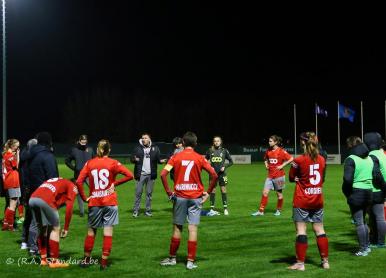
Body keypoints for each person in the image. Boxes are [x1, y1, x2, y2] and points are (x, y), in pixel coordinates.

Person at [159, 131, 218, 270]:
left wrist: (169, 193)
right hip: (196, 198)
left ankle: (172, 258)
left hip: (180, 197)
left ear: (183, 143)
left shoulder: (175, 157)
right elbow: (214, 175)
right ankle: (190, 261)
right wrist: (208, 193)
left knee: (178, 227)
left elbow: (163, 174)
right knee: (193, 229)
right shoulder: (200, 158)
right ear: (196, 144)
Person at [77, 139, 134, 270]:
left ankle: (86, 261)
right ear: (109, 150)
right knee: (108, 232)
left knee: (91, 231)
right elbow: (130, 175)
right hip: (110, 201)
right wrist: (114, 184)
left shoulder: (90, 163)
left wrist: (85, 197)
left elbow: (79, 182)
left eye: (97, 148)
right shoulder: (113, 163)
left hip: (95, 201)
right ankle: (103, 263)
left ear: (100, 150)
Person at [287, 131, 328, 271]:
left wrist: (298, 178)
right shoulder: (322, 159)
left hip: (302, 199)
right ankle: (325, 261)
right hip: (317, 198)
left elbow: (291, 177)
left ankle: (300, 263)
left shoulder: (298, 160)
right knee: (319, 229)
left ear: (303, 142)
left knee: (301, 230)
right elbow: (322, 179)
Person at [342, 136, 383, 256]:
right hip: (369, 192)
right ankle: (367, 246)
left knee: (359, 222)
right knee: (364, 222)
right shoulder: (369, 158)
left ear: (350, 146)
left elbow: (347, 180)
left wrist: (348, 194)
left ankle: (363, 249)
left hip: (357, 192)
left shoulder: (351, 159)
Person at [29, 177, 77, 268]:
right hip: (45, 200)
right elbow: (69, 208)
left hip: (32, 199)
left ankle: (43, 260)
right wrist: (66, 228)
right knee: (56, 229)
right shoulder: (72, 185)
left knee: (42, 228)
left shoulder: (58, 180)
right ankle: (54, 261)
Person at [26, 132, 59, 256]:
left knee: (35, 222)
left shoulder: (30, 154)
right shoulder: (47, 155)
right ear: (48, 141)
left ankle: (32, 247)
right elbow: (53, 177)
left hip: (32, 190)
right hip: (45, 192)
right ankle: (47, 250)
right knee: (50, 223)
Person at [251, 135, 293, 217]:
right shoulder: (268, 151)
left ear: (276, 142)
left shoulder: (281, 151)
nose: (269, 142)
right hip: (270, 176)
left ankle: (278, 210)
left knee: (279, 195)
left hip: (279, 176)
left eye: (270, 141)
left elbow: (291, 158)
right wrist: (266, 164)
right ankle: (261, 211)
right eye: (269, 141)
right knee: (265, 192)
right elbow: (265, 159)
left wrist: (282, 166)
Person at [131, 133, 166, 217]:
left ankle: (148, 211)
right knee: (138, 193)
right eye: (142, 138)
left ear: (149, 139)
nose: (143, 139)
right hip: (141, 175)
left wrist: (162, 161)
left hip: (151, 175)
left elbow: (158, 160)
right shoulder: (137, 148)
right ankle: (136, 211)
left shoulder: (155, 148)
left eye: (145, 138)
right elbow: (131, 158)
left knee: (149, 194)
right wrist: (134, 159)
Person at [363, 132, 386, 247]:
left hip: (375, 190)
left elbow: (376, 174)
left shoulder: (372, 155)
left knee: (376, 217)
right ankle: (378, 240)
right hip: (381, 189)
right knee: (377, 216)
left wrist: (383, 187)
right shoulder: (382, 154)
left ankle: (379, 241)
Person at [65, 134, 94, 217]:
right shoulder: (74, 150)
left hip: (89, 175)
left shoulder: (90, 150)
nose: (83, 143)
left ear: (87, 141)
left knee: (93, 191)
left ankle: (91, 209)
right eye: (82, 141)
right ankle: (81, 212)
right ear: (79, 141)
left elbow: (94, 161)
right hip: (78, 176)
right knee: (79, 194)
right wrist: (74, 168)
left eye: (85, 141)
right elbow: (67, 161)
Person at [205, 136, 233, 216]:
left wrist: (225, 166)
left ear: (220, 142)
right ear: (213, 142)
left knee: (223, 190)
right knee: (212, 190)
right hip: (213, 174)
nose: (216, 142)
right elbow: (204, 161)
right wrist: (209, 167)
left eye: (218, 141)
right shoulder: (210, 151)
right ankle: (211, 209)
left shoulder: (224, 151)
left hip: (222, 174)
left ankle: (225, 209)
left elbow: (231, 162)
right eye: (215, 141)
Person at [19, 138, 38, 249]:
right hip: (32, 188)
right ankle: (31, 242)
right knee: (33, 216)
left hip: (26, 188)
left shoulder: (24, 155)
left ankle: (25, 241)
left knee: (29, 215)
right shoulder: (32, 156)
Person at [2, 139, 21, 231]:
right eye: (17, 146)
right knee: (13, 205)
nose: (18, 148)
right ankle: (10, 226)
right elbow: (17, 165)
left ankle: (6, 224)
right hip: (13, 181)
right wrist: (17, 155)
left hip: (9, 180)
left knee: (11, 204)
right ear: (12, 146)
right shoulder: (10, 155)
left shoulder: (5, 154)